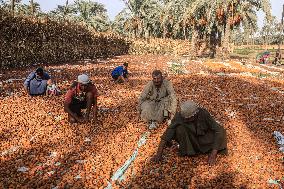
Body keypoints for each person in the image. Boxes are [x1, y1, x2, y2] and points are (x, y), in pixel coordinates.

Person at [151, 100, 227, 165]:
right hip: (190, 139)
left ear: (194, 115)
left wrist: (213, 154)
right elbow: (167, 134)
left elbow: (218, 130)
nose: (185, 120)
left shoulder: (203, 113)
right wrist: (158, 154)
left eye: (188, 119)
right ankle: (189, 151)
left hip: (203, 138)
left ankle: (204, 149)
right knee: (180, 129)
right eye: (184, 119)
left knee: (222, 133)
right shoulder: (179, 116)